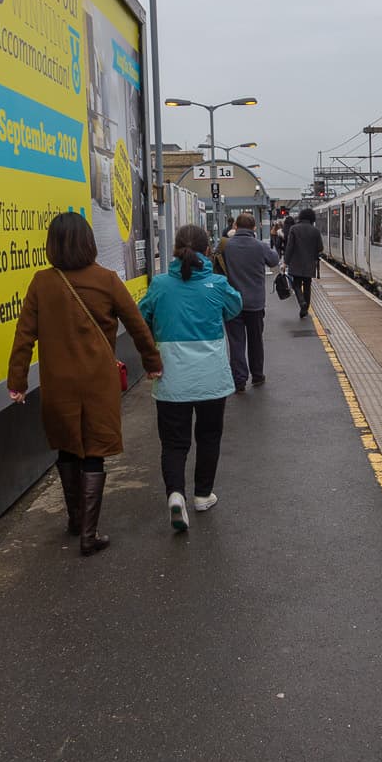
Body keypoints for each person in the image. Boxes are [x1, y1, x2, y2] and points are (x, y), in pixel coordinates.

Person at [5, 211, 161, 557]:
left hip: (58, 381)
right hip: (97, 380)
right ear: (89, 242)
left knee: (67, 446)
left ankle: (76, 519)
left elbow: (23, 337)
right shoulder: (106, 280)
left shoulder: (41, 282)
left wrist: (16, 381)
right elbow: (137, 325)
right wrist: (152, 363)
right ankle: (89, 534)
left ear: (52, 245)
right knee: (94, 450)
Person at [139, 223, 244, 532]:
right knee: (209, 436)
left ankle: (175, 494)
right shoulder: (217, 283)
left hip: (171, 377)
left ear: (174, 249)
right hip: (211, 377)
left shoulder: (159, 285)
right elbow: (235, 308)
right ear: (207, 250)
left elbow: (141, 315)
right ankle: (202, 494)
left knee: (173, 442)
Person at [212, 212, 279, 392]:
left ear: (235, 227)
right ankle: (257, 375)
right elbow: (274, 260)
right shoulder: (260, 246)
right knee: (256, 340)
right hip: (255, 303)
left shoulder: (227, 246)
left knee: (236, 342)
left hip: (232, 302)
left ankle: (239, 380)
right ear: (254, 228)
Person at [282, 206, 324, 318]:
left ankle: (301, 302)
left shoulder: (294, 229)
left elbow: (289, 247)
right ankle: (305, 309)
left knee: (296, 284)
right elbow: (320, 248)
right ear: (312, 218)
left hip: (295, 262)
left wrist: (285, 262)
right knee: (307, 286)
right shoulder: (315, 231)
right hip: (310, 263)